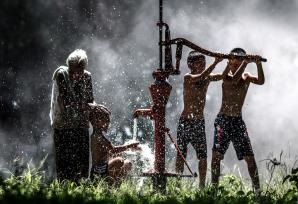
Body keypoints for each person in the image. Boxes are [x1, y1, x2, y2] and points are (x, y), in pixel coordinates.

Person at [211, 48, 265, 191]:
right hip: (223, 120)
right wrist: (246, 62)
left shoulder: (246, 75)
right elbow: (234, 80)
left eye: (239, 59)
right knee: (217, 156)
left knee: (250, 159)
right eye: (234, 59)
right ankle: (213, 191)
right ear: (229, 61)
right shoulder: (226, 75)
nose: (236, 61)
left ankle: (258, 191)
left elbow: (260, 81)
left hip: (237, 121)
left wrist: (258, 64)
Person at [175, 51, 223, 188]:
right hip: (185, 122)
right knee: (181, 154)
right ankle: (178, 184)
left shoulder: (207, 77)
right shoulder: (188, 77)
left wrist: (229, 63)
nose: (202, 66)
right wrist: (215, 62)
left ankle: (202, 187)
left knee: (202, 156)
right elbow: (201, 76)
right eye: (199, 63)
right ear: (190, 65)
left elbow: (222, 76)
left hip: (198, 122)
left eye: (204, 63)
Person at [50, 49, 94, 181]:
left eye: (78, 72)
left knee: (81, 162)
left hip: (80, 124)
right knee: (65, 162)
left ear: (83, 68)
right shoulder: (62, 74)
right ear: (69, 67)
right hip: (63, 124)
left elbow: (91, 99)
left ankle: (82, 190)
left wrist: (96, 108)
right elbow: (66, 102)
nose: (75, 75)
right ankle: (65, 192)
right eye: (72, 71)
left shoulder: (87, 76)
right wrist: (88, 106)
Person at [88, 102, 140, 185]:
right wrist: (129, 146)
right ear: (96, 121)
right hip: (97, 171)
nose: (108, 123)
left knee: (128, 164)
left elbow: (111, 151)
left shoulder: (100, 136)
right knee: (119, 161)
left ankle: (116, 187)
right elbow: (113, 150)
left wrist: (129, 147)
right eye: (105, 121)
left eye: (108, 121)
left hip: (103, 169)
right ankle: (111, 187)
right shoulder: (97, 136)